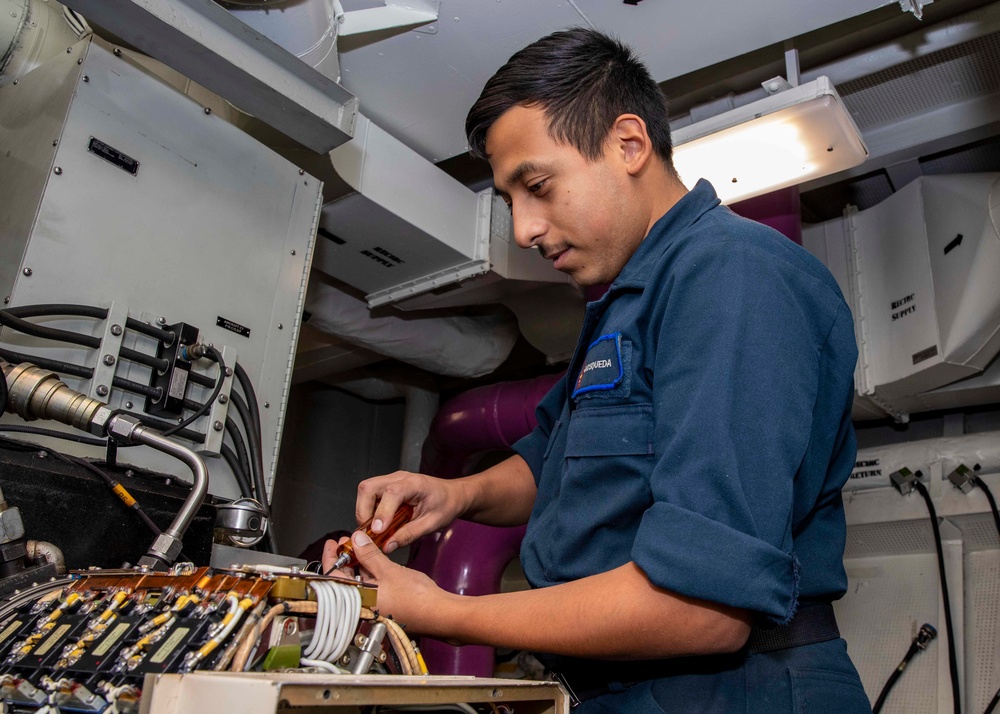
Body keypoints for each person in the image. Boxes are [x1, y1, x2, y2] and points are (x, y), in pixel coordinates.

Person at [323, 27, 870, 713]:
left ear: (629, 144)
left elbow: (701, 608)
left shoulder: (731, 278)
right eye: (509, 199)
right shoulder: (623, 305)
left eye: (538, 186)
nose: (523, 228)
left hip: (733, 690)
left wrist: (441, 611)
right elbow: (556, 465)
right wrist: (454, 495)